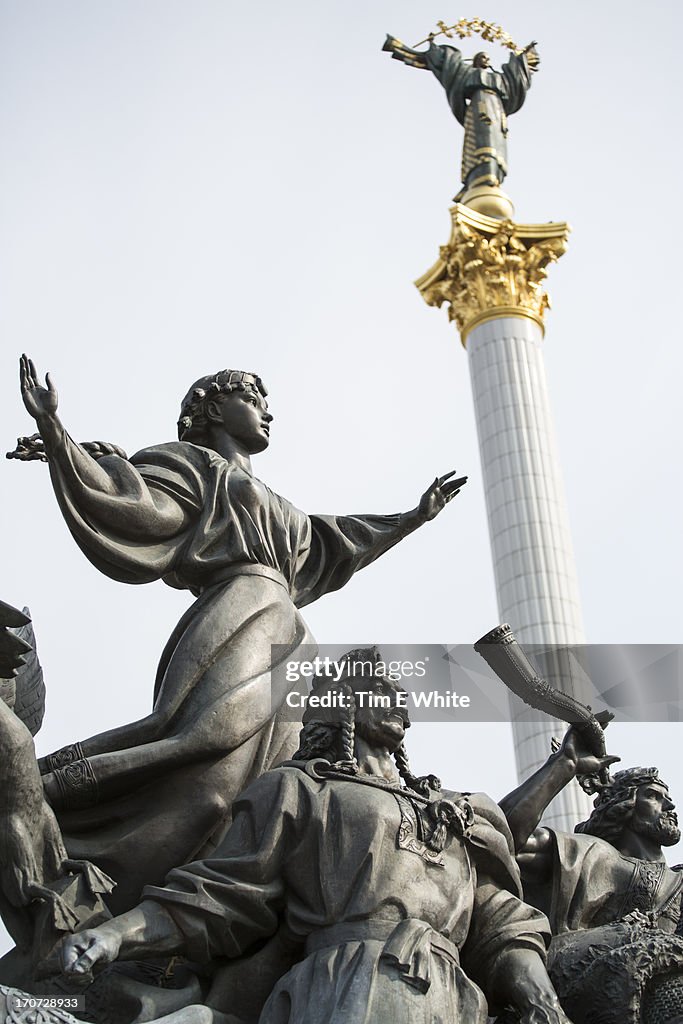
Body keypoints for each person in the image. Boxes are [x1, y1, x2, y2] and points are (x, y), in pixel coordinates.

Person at [16, 355, 467, 914]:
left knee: (266, 791)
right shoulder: (189, 465)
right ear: (210, 409)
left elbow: (334, 546)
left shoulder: (280, 508)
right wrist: (59, 437)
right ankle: (43, 797)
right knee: (203, 757)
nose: (268, 412)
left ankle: (199, 920)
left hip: (289, 632)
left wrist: (410, 518)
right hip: (237, 609)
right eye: (253, 399)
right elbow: (137, 508)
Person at [57, 649, 572, 1024]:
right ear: (343, 701)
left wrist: (540, 999)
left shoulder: (451, 813)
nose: (399, 696)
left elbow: (500, 922)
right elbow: (217, 897)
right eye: (381, 687)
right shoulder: (300, 789)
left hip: (456, 997)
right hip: (348, 985)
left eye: (400, 689)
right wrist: (110, 936)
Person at [500, 726, 683, 1024]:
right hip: (585, 980)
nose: (670, 805)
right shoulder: (589, 854)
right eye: (654, 796)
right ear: (624, 804)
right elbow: (502, 836)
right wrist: (564, 764)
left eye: (668, 797)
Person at [383, 35, 539, 196]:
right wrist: (435, 50)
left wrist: (523, 57)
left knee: (496, 141)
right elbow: (449, 66)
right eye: (482, 57)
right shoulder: (467, 72)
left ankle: (493, 174)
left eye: (487, 58)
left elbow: (517, 78)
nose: (486, 59)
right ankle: (479, 174)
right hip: (479, 105)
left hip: (497, 111)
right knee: (483, 137)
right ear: (476, 60)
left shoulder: (499, 79)